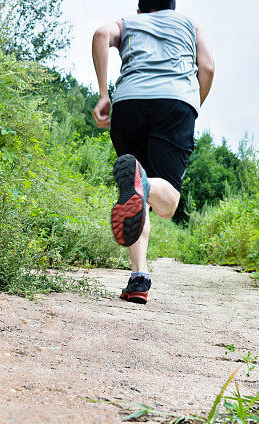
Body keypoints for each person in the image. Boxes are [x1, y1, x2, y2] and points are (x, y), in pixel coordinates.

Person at [91, 0, 215, 304]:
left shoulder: (129, 23)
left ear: (139, 10)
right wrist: (193, 102)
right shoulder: (189, 23)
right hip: (174, 102)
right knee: (167, 201)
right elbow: (209, 68)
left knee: (138, 200)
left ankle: (139, 276)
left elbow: (99, 35)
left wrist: (104, 94)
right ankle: (143, 185)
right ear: (172, 6)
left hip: (128, 102)